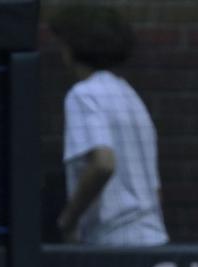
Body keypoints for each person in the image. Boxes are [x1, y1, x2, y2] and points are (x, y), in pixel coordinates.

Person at [50, 3, 169, 246]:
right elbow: (155, 191)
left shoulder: (83, 95)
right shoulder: (131, 97)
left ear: (71, 47)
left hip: (114, 243)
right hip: (154, 240)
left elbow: (103, 163)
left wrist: (68, 220)